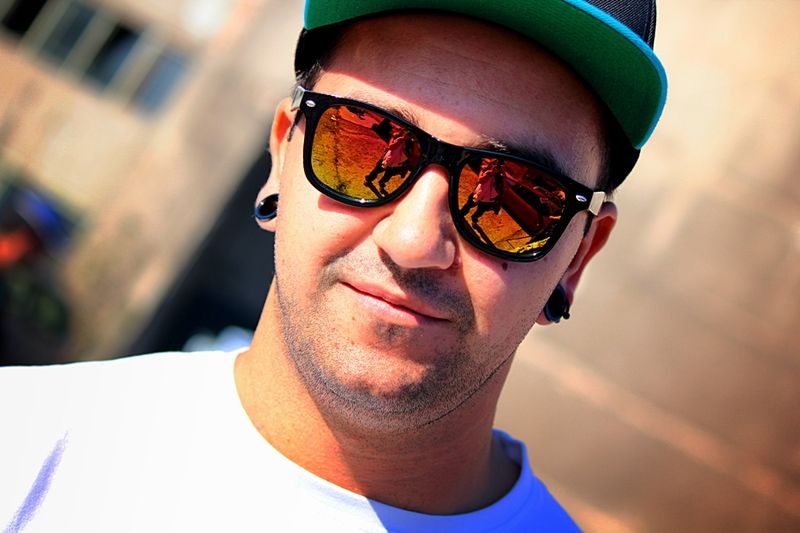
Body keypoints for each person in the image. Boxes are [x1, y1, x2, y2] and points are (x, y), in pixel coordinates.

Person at [0, 1, 667, 531]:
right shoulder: (21, 447)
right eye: (366, 142)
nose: (413, 241)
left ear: (577, 257)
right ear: (281, 154)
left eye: (515, 195)